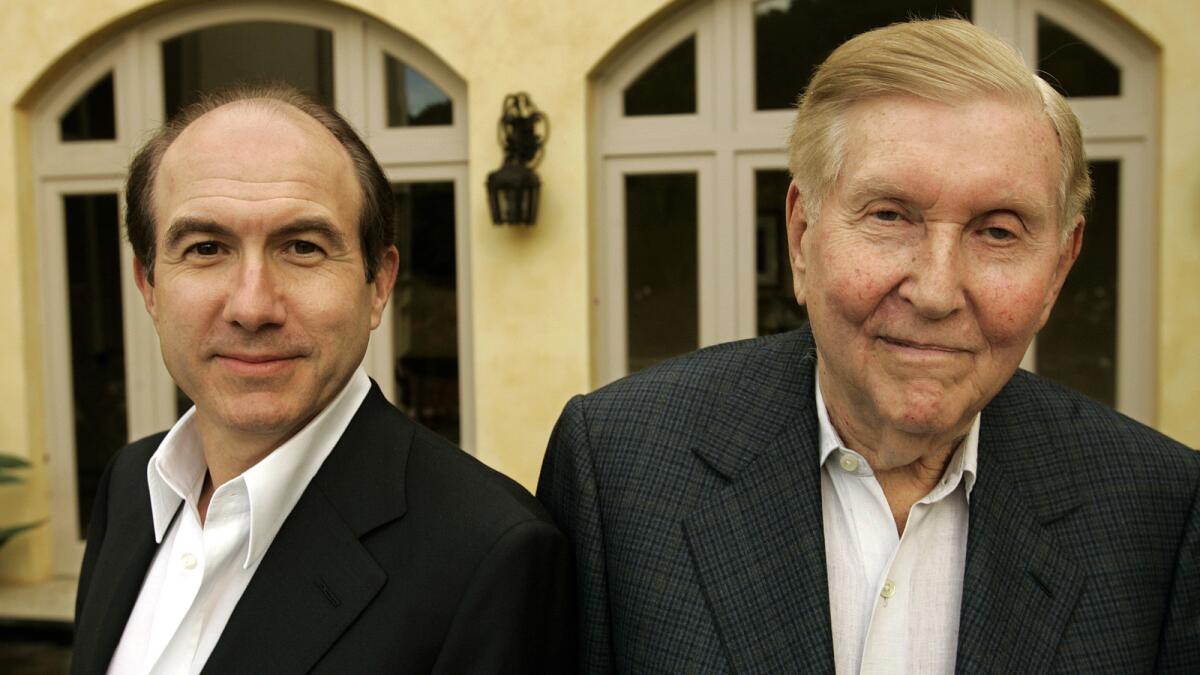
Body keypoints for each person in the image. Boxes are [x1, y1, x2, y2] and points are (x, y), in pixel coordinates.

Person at [538, 18, 1198, 674]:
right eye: (889, 215)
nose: (937, 290)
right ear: (802, 235)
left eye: (997, 231)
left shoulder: (1160, 512)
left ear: (1058, 267)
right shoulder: (620, 469)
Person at [72, 84, 573, 674]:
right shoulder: (132, 485)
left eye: (303, 247)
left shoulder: (488, 554)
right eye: (206, 247)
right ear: (149, 285)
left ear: (378, 284)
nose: (252, 306)